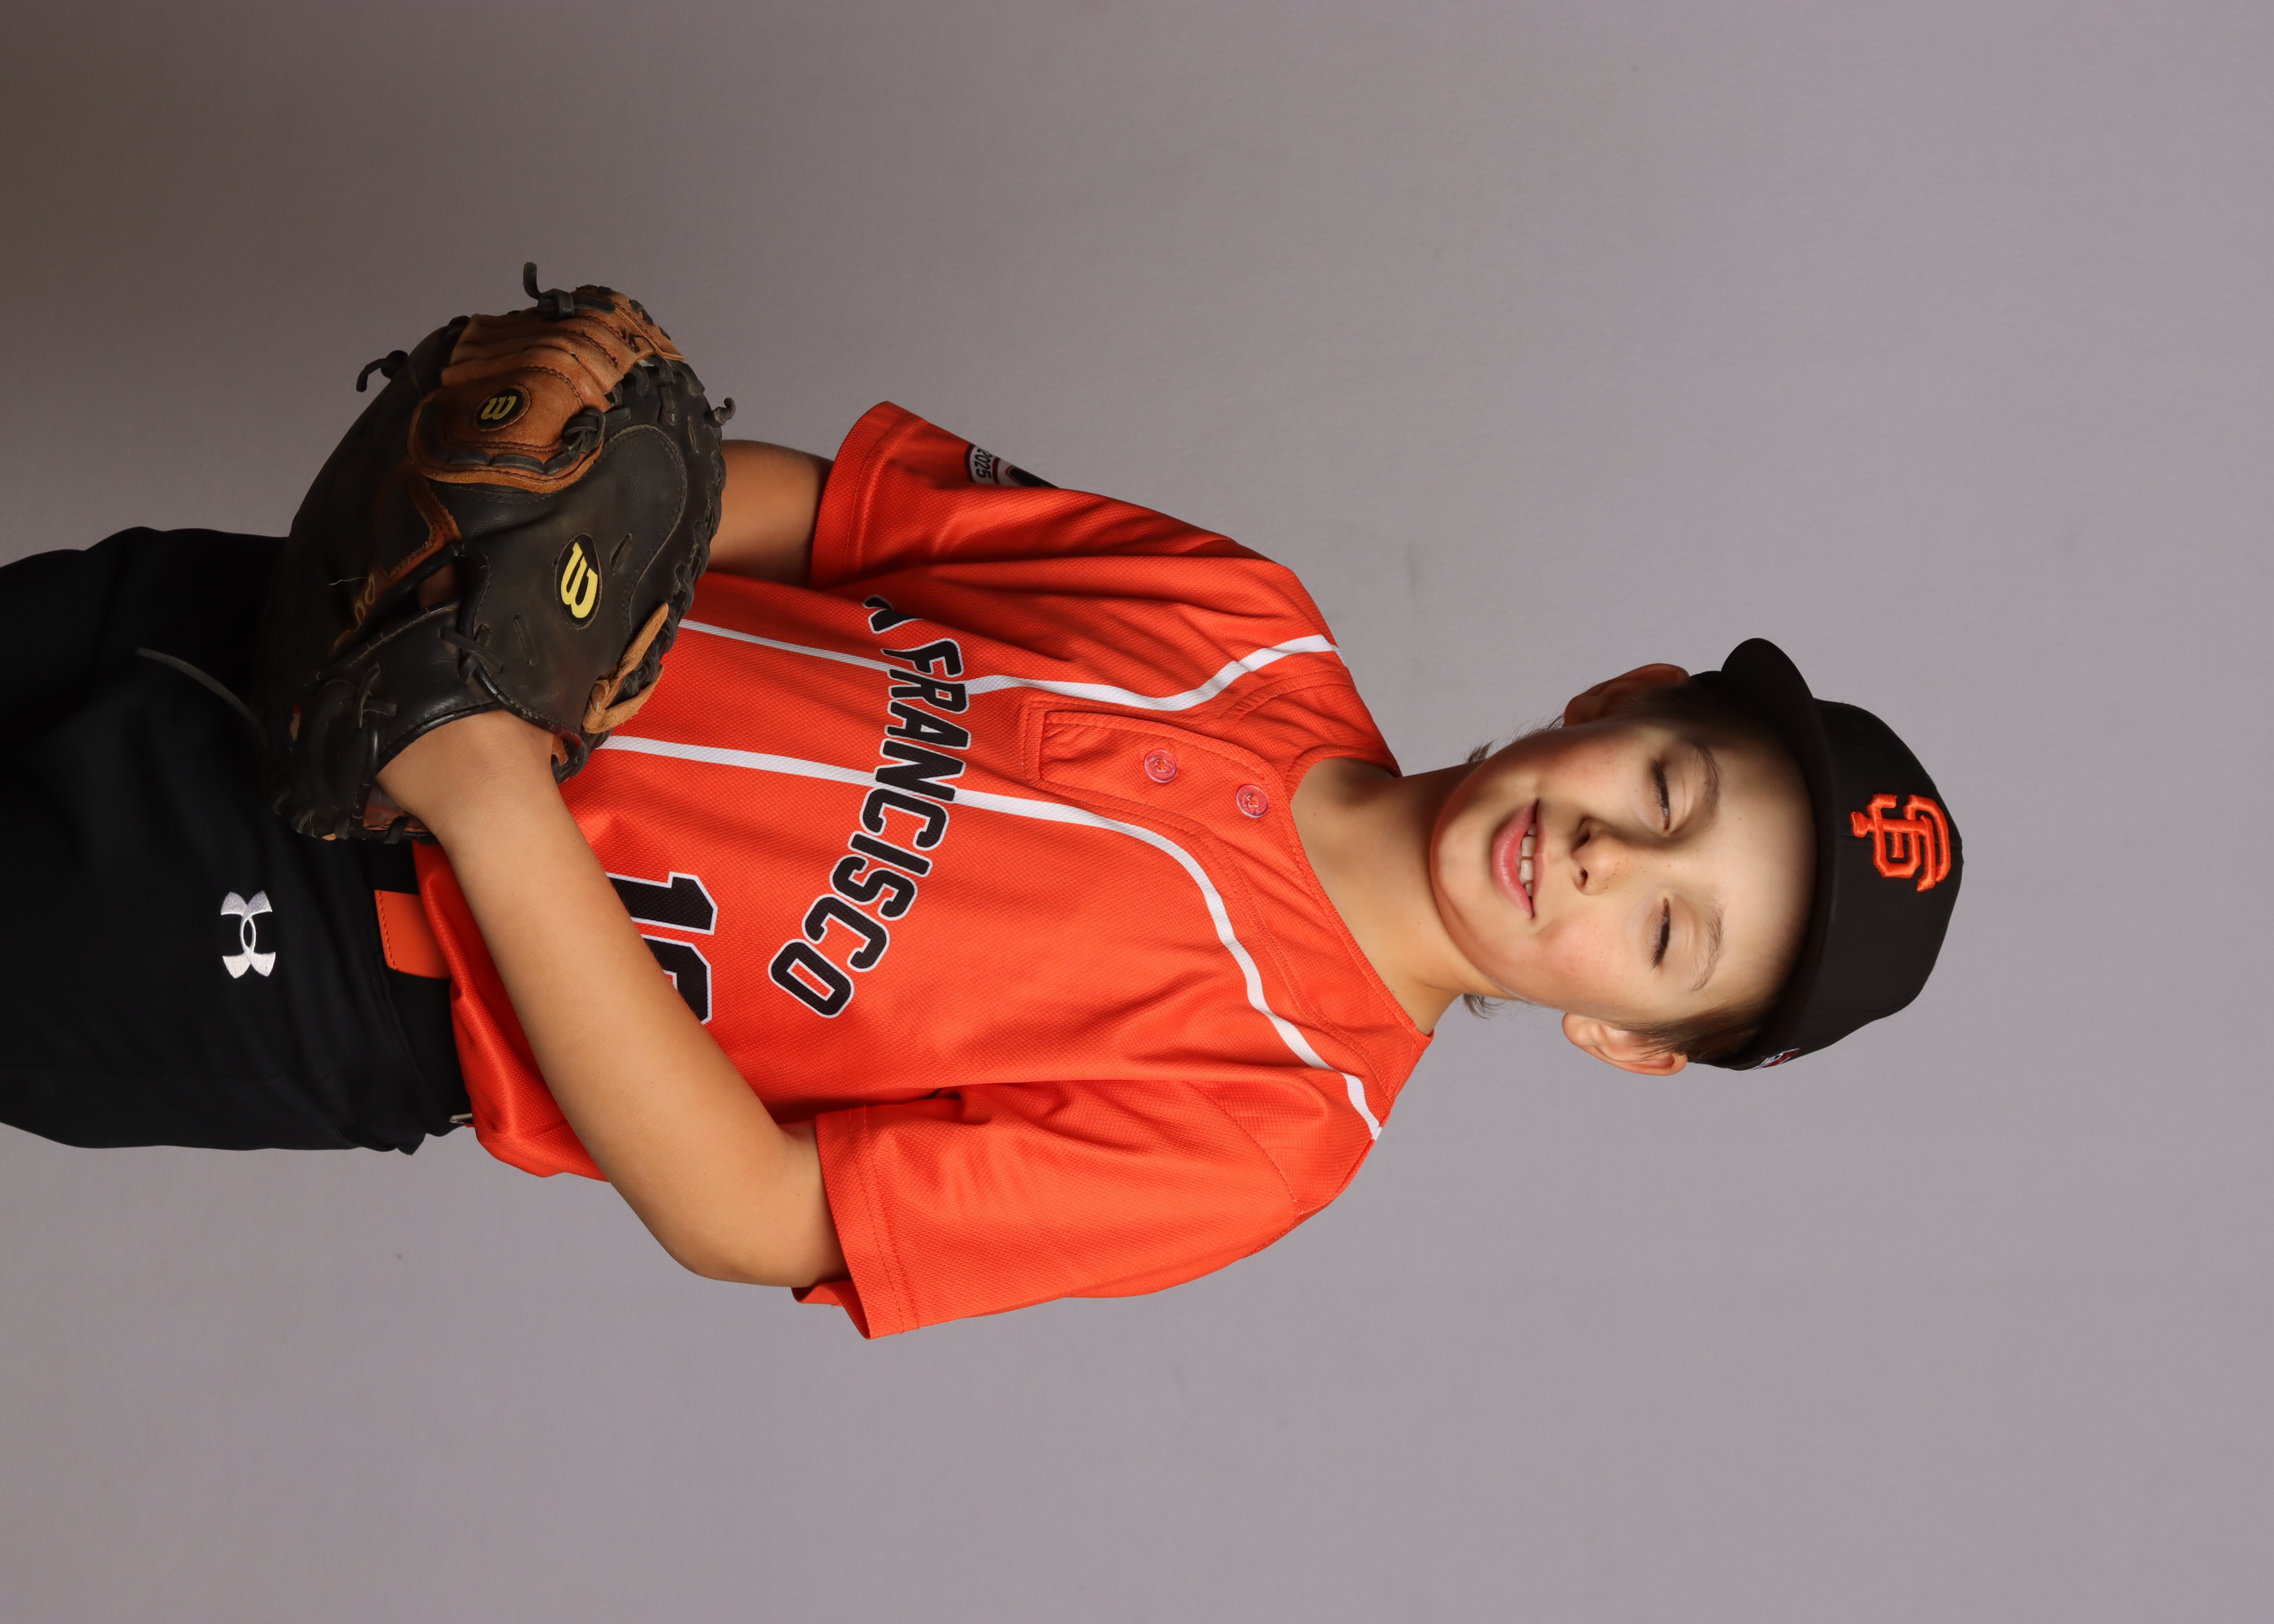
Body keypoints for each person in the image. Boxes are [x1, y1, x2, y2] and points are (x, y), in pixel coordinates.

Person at [0, 403, 1961, 1337]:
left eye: (1666, 933)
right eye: (1667, 783)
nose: (1606, 855)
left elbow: (757, 1209)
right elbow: (830, 524)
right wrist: (569, 498)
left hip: (341, 955)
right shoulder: (1244, 620)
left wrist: (498, 808)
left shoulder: (1267, 1126)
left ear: (1629, 1039)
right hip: (302, 621)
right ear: (1619, 697)